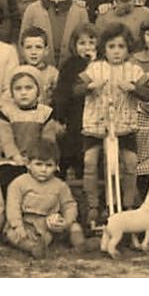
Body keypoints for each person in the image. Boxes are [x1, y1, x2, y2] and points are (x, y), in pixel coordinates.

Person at [79, 22, 149, 226]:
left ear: (128, 48)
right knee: (90, 161)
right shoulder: (95, 68)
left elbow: (148, 94)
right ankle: (93, 206)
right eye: (111, 47)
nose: (116, 51)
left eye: (121, 46)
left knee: (130, 162)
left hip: (124, 126)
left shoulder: (134, 70)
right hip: (96, 126)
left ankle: (128, 204)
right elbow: (75, 89)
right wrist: (90, 86)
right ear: (104, 48)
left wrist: (133, 89)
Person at [3, 138, 85, 258]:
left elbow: (69, 205)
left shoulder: (60, 185)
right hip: (26, 223)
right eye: (38, 164)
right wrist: (18, 225)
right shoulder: (19, 183)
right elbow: (12, 206)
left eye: (49, 165)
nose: (43, 169)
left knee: (74, 226)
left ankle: (81, 245)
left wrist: (66, 222)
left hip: (48, 224)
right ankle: (32, 248)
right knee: (12, 234)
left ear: (56, 166)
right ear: (28, 164)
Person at [0, 66, 62, 191]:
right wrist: (15, 156)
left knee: (47, 179)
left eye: (28, 88)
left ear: (38, 91)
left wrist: (37, 158)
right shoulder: (6, 112)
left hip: (38, 158)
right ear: (12, 93)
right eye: (18, 89)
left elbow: (47, 140)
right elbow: (6, 139)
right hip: (12, 160)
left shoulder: (45, 113)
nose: (23, 93)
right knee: (7, 179)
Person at [19, 0, 90, 67]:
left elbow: (86, 45)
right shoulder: (33, 10)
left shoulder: (80, 11)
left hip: (72, 73)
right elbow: (22, 45)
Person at [52, 24, 98, 184]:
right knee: (72, 143)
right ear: (74, 45)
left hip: (96, 113)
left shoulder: (101, 65)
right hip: (75, 113)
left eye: (91, 43)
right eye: (82, 43)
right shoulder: (71, 65)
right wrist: (59, 117)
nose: (87, 47)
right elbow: (62, 92)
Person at [14, 28, 60, 105]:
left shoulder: (53, 73)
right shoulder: (17, 72)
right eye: (28, 47)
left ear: (46, 50)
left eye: (38, 47)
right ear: (21, 50)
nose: (33, 52)